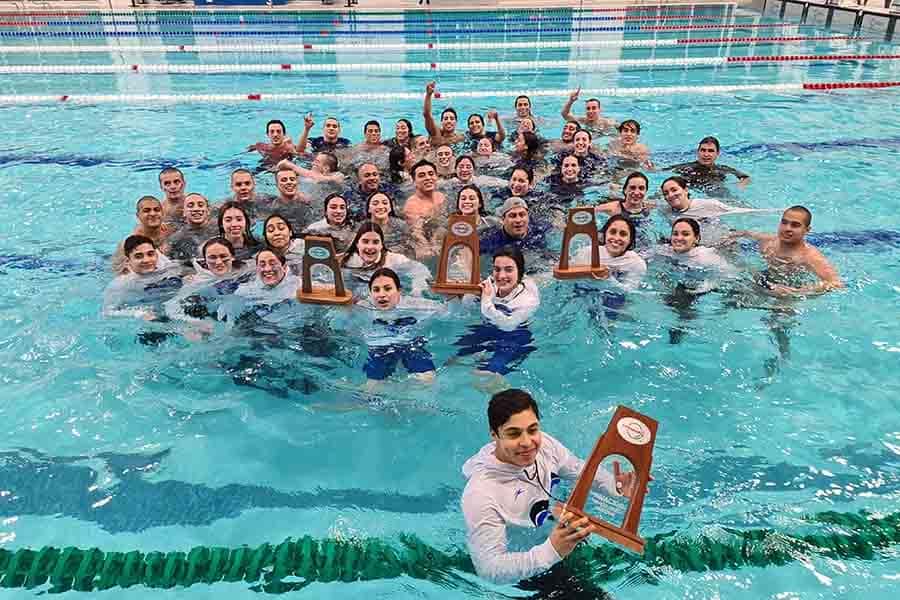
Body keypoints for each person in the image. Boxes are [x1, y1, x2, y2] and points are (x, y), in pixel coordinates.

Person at [461, 388, 638, 584]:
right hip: (529, 572)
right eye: (513, 434)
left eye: (533, 429)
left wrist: (615, 487)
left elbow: (579, 470)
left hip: (562, 536)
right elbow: (489, 569)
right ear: (495, 435)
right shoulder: (481, 494)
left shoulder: (545, 446)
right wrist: (552, 550)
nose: (527, 442)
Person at [455, 247, 540, 376]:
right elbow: (465, 308)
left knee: (487, 374)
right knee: (454, 362)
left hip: (516, 336)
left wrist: (487, 301)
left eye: (509, 270)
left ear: (520, 271)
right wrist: (459, 296)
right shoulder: (490, 283)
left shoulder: (528, 299)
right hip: (488, 329)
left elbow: (508, 325)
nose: (501, 276)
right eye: (497, 269)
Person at [726, 206, 843, 297]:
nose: (787, 228)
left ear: (807, 230)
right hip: (764, 278)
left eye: (795, 225)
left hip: (789, 290)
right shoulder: (768, 241)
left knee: (780, 321)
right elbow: (745, 233)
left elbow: (836, 283)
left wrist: (797, 291)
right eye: (784, 222)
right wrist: (730, 237)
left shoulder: (809, 256)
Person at [356, 267, 441, 386]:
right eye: (376, 290)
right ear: (370, 293)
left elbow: (445, 311)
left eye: (387, 288)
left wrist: (456, 297)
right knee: (372, 386)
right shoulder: (362, 308)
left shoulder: (414, 305)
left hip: (411, 344)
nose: (382, 295)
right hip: (380, 347)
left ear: (399, 290)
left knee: (428, 379)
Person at [165, 237, 253, 324]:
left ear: (232, 256)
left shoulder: (247, 270)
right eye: (212, 257)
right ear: (205, 260)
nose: (218, 262)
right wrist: (198, 323)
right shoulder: (196, 281)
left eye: (223, 256)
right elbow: (172, 308)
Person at [103, 235, 184, 320]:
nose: (146, 260)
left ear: (156, 256)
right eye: (138, 256)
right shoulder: (121, 284)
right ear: (128, 261)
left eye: (150, 254)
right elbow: (108, 312)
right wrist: (139, 313)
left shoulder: (169, 269)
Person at [340, 221, 431, 296]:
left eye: (375, 242)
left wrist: (417, 289)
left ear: (381, 245)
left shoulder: (394, 260)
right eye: (365, 241)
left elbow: (420, 270)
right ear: (357, 244)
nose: (370, 246)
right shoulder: (346, 262)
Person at [573, 215, 646, 291]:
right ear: (605, 235)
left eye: (623, 234)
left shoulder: (636, 263)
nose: (616, 238)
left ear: (630, 240)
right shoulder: (587, 253)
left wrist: (608, 278)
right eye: (612, 232)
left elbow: (629, 291)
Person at [111, 196, 174, 275]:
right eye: (146, 211)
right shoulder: (129, 243)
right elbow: (119, 270)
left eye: (156, 210)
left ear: (163, 213)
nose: (153, 213)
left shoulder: (171, 231)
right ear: (138, 215)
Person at [666, 136, 750, 193]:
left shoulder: (722, 169)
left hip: (716, 193)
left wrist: (741, 185)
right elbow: (660, 170)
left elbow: (745, 177)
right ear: (697, 152)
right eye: (703, 150)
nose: (706, 154)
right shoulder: (686, 167)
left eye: (710, 151)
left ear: (717, 153)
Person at [480, 197, 552, 258]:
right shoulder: (491, 243)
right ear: (503, 219)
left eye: (522, 215)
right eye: (512, 216)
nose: (518, 220)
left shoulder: (540, 229)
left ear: (528, 217)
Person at [164, 193, 217, 261]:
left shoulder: (220, 228)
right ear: (184, 212)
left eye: (200, 205)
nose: (196, 209)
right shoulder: (176, 239)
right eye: (190, 206)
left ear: (208, 211)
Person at [365, 191, 416, 258]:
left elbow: (412, 244)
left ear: (390, 208)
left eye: (385, 203)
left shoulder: (401, 225)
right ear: (369, 209)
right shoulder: (362, 227)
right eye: (375, 204)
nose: (380, 207)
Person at [422, 81, 465, 146]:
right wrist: (428, 95)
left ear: (456, 121)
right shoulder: (435, 133)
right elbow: (427, 115)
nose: (449, 121)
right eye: (445, 119)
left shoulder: (461, 137)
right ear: (441, 122)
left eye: (452, 118)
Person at [275, 153, 346, 186]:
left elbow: (319, 178)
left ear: (326, 168)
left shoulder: (338, 176)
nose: (312, 163)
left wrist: (292, 166)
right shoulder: (306, 176)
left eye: (316, 162)